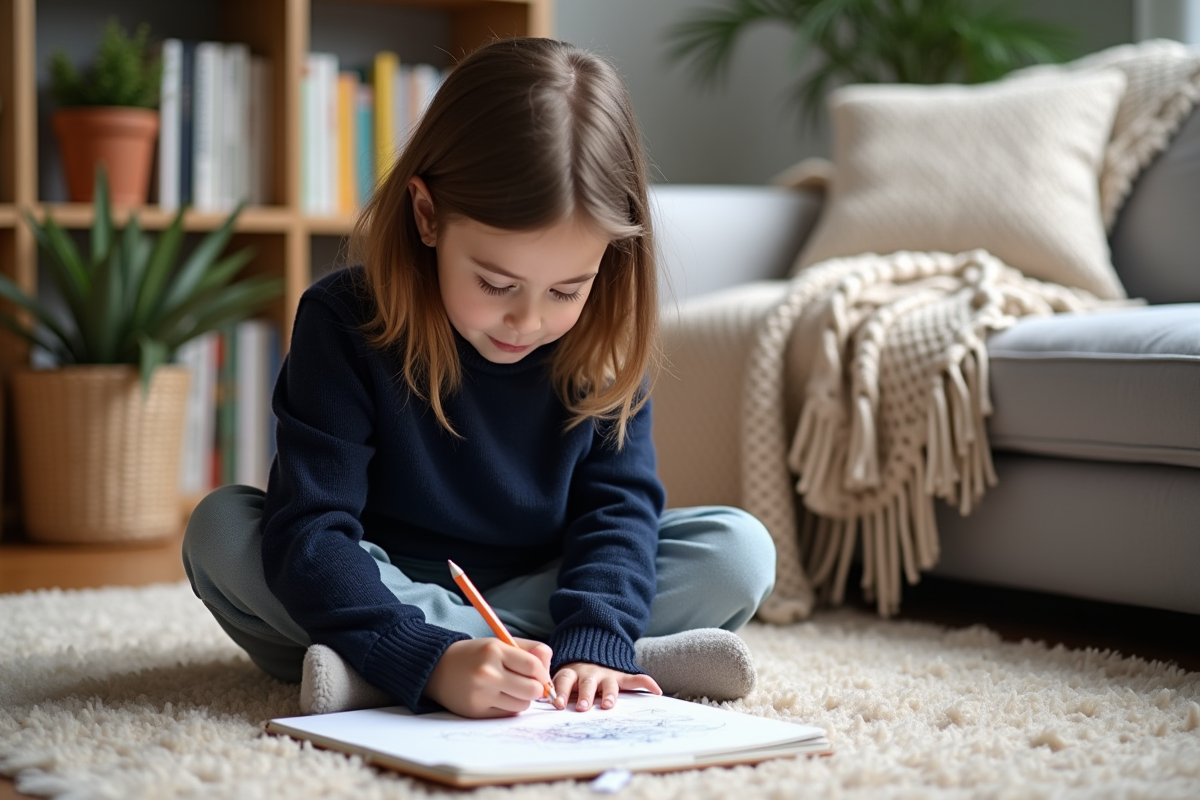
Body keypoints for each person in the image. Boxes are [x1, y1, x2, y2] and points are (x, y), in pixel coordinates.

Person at [182, 37, 776, 720]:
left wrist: (596, 631)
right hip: (381, 578)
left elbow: (618, 517)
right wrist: (426, 649)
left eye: (566, 289)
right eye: (496, 283)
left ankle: (429, 667)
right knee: (221, 532)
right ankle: (451, 658)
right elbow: (312, 529)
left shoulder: (604, 339)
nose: (527, 320)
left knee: (737, 552)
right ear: (427, 215)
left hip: (548, 584)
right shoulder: (341, 320)